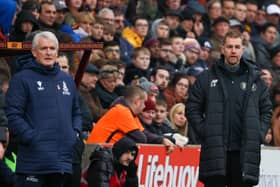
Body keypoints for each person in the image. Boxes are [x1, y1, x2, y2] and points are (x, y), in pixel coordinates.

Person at [186, 31, 272, 187]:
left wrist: (258, 133)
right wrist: (205, 131)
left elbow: (266, 110)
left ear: (242, 49)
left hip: (244, 153)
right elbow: (192, 108)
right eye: (230, 46)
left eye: (237, 47)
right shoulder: (206, 77)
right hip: (216, 151)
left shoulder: (256, 79)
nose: (233, 50)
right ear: (223, 49)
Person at [5, 31, 82, 187]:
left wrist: (74, 133)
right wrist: (32, 137)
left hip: (62, 162)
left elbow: (76, 112)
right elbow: (13, 115)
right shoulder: (22, 79)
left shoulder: (66, 80)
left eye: (52, 49)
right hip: (33, 162)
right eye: (44, 48)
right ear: (34, 52)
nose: (48, 52)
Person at [87, 85, 175, 153]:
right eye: (144, 103)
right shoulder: (121, 111)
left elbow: (145, 134)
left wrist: (163, 139)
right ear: (137, 101)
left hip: (102, 154)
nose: (144, 106)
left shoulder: (131, 114)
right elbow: (141, 138)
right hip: (94, 154)